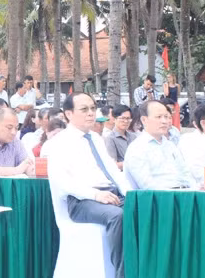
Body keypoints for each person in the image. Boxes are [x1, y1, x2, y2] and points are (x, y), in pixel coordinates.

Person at [47, 92, 130, 278]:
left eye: (93, 108)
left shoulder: (97, 139)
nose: (91, 113)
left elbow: (114, 172)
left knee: (145, 209)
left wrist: (132, 195)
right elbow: (63, 182)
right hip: (82, 201)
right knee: (117, 216)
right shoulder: (59, 143)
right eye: (84, 109)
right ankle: (122, 273)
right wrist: (95, 195)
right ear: (69, 114)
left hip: (111, 194)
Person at [123, 101, 194, 190]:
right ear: (144, 120)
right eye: (159, 117)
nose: (165, 121)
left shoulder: (170, 145)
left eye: (166, 117)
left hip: (183, 194)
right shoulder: (137, 148)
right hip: (158, 199)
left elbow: (185, 173)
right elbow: (147, 185)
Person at [105, 105, 136, 170]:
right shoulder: (110, 139)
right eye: (122, 118)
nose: (126, 121)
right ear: (114, 119)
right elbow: (112, 165)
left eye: (128, 118)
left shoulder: (133, 137)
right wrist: (134, 163)